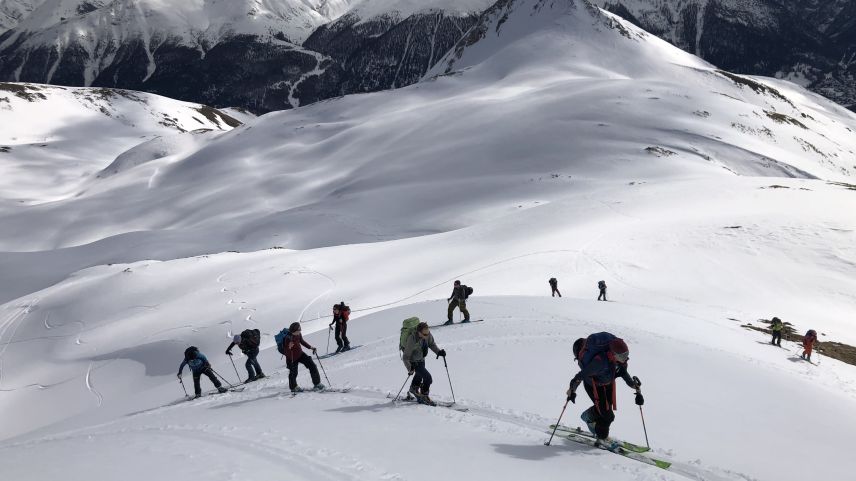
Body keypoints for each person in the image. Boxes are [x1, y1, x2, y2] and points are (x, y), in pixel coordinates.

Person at [567, 333, 642, 449]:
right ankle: (601, 437)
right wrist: (572, 390)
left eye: (626, 355)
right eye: (622, 356)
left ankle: (589, 417)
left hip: (608, 384)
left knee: (605, 412)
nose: (625, 358)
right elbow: (580, 376)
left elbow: (623, 372)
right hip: (594, 387)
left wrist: (634, 387)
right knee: (608, 416)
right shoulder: (599, 362)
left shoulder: (619, 361)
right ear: (613, 353)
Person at [401, 321, 446, 405]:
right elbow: (405, 357)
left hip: (421, 358)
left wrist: (438, 352)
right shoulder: (412, 338)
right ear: (419, 332)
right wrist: (410, 367)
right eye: (424, 334)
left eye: (428, 333)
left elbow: (431, 344)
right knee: (428, 378)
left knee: (419, 375)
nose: (427, 336)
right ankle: (424, 395)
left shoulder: (427, 334)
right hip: (414, 361)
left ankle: (413, 388)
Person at [281, 322, 324, 392]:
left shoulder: (298, 334)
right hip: (291, 358)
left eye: (299, 331)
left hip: (300, 354)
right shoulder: (287, 338)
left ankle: (317, 383)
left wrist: (311, 347)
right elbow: (286, 351)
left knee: (312, 365)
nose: (299, 332)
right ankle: (293, 387)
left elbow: (302, 341)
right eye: (298, 331)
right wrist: (289, 347)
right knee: (293, 373)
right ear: (293, 331)